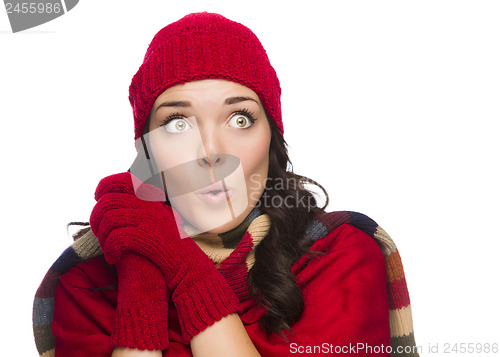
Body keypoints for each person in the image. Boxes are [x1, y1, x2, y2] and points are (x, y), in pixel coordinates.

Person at [32, 12, 419, 357]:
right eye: (177, 123)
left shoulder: (340, 253)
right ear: (148, 151)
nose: (211, 152)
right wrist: (142, 274)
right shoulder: (86, 281)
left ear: (272, 138)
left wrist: (185, 269)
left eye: (240, 119)